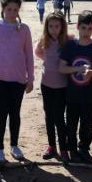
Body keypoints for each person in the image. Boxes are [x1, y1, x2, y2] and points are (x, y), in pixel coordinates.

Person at [0, 0, 34, 162]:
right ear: (3, 8)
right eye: (9, 9)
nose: (12, 13)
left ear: (19, 10)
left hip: (19, 79)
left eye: (15, 10)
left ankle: (14, 145)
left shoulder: (24, 29)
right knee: (1, 113)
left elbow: (29, 55)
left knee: (15, 113)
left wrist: (30, 78)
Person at [59, 10, 92, 164]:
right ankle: (72, 149)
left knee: (87, 123)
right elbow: (62, 68)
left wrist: (90, 73)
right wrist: (77, 69)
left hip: (90, 92)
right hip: (72, 93)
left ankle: (84, 148)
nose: (86, 32)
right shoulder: (70, 45)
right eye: (83, 28)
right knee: (71, 123)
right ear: (77, 27)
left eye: (90, 28)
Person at [35, 12, 69, 162]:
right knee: (49, 116)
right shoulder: (44, 40)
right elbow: (38, 52)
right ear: (46, 27)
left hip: (62, 85)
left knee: (60, 117)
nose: (54, 29)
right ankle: (51, 146)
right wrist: (48, 63)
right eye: (50, 26)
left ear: (62, 27)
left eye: (57, 26)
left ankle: (63, 148)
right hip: (46, 83)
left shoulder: (67, 41)